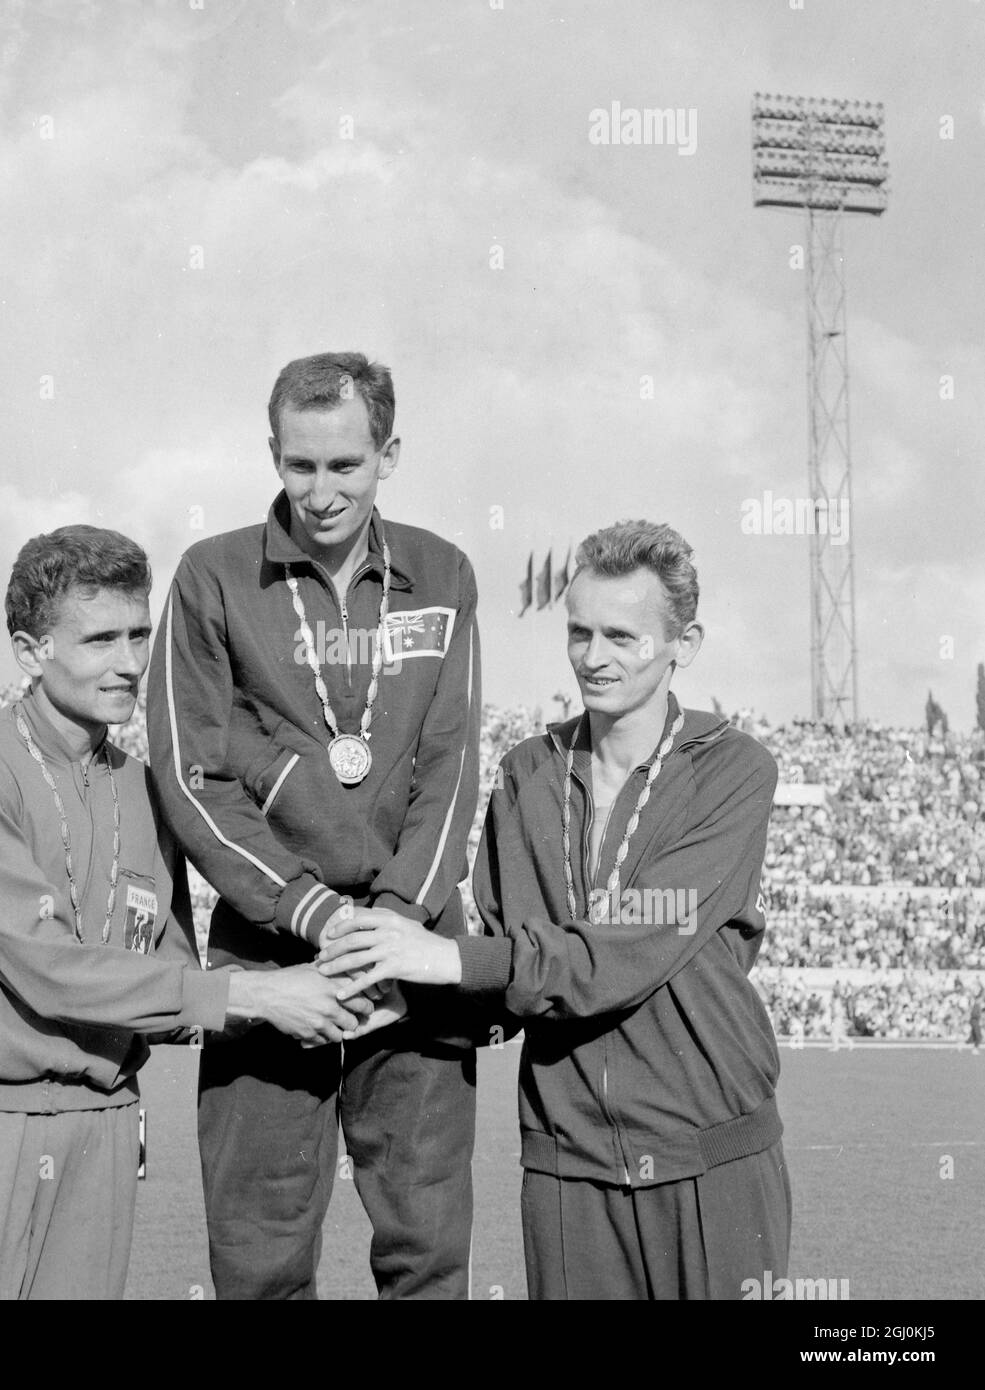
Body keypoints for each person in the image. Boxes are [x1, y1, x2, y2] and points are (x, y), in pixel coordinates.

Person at [0, 525, 367, 1300]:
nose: (131, 662)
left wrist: (313, 984)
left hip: (101, 1123)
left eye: (139, 635)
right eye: (100, 640)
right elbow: (45, 967)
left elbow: (171, 987)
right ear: (32, 651)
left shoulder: (148, 787)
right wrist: (260, 996)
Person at [320, 519, 791, 1300]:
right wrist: (397, 999)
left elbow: (619, 953)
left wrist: (443, 958)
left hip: (712, 1163)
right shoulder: (526, 772)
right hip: (565, 1172)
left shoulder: (733, 772)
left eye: (620, 636)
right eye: (578, 632)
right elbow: (508, 972)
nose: (593, 658)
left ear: (686, 642)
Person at [147, 352, 482, 1300]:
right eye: (300, 466)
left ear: (389, 454)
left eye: (346, 465)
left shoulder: (444, 570)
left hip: (413, 958)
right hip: (269, 958)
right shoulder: (212, 576)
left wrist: (396, 924)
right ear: (272, 454)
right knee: (258, 1261)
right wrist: (319, 920)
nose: (322, 491)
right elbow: (190, 773)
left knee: (425, 1254)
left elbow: (451, 766)